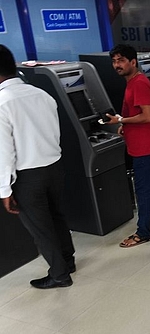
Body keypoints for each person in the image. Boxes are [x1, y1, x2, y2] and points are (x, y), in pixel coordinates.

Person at [0, 45, 76, 289]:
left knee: (40, 228)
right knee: (57, 216)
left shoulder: (2, 103)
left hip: (27, 176)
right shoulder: (41, 94)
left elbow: (4, 152)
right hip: (54, 167)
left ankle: (59, 274)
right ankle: (68, 260)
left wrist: (4, 191)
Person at [103, 44, 150, 248]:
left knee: (143, 189)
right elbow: (138, 114)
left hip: (144, 147)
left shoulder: (138, 83)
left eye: (121, 60)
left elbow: (148, 116)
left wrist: (120, 119)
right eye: (114, 61)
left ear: (133, 62)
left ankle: (143, 232)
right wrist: (125, 124)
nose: (117, 65)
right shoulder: (134, 82)